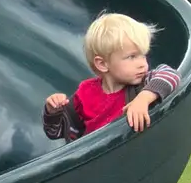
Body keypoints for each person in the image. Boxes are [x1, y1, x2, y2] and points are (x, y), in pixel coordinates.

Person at [42, 12, 180, 142]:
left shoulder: (142, 85)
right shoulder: (85, 94)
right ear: (102, 64)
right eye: (131, 57)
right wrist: (53, 111)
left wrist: (143, 99)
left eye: (143, 55)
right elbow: (55, 132)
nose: (143, 64)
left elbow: (170, 74)